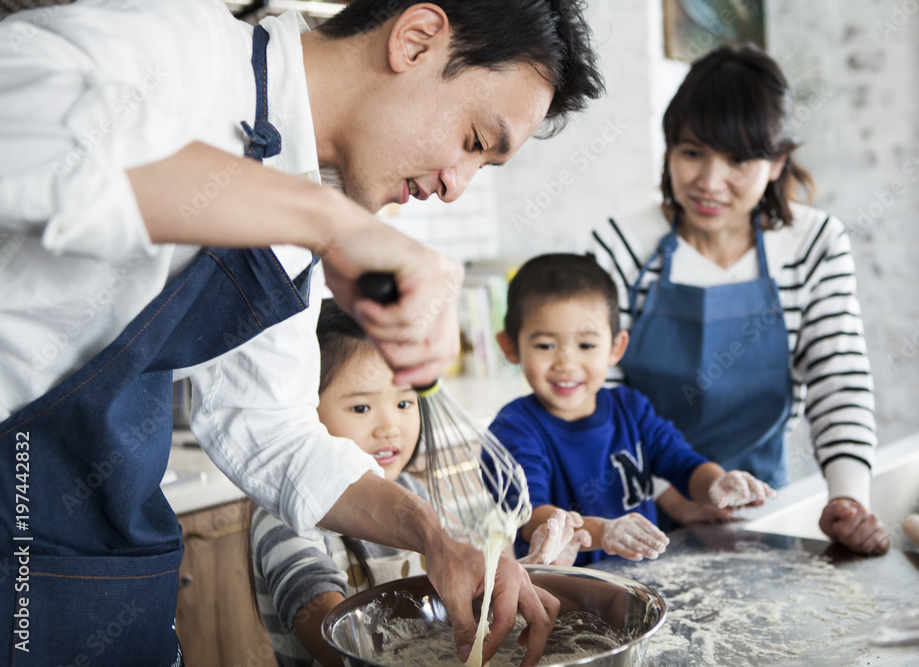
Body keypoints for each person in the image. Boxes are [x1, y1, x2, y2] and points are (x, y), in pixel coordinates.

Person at [0, 1, 604, 664]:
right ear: (417, 38)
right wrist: (328, 223)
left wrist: (436, 537)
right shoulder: (175, 43)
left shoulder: (303, 209)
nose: (455, 186)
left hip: (94, 577)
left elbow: (273, 433)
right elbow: (23, 141)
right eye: (473, 139)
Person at [590, 44, 890, 555]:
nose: (709, 182)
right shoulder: (621, 245)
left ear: (777, 163)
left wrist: (848, 499)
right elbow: (599, 393)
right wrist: (674, 494)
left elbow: (838, 380)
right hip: (638, 512)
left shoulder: (813, 245)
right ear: (668, 150)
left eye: (738, 160)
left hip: (764, 508)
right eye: (691, 153)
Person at [251, 300, 590, 667]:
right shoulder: (284, 515)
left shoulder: (416, 495)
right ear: (302, 418)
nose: (389, 428)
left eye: (404, 404)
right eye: (361, 408)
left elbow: (467, 583)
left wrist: (531, 568)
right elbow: (329, 634)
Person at [489, 254, 776, 567]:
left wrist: (717, 483)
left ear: (615, 348)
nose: (566, 364)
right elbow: (529, 515)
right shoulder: (513, 428)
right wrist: (604, 532)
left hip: (641, 582)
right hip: (560, 593)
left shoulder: (632, 409)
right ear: (511, 347)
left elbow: (683, 464)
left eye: (586, 346)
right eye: (545, 345)